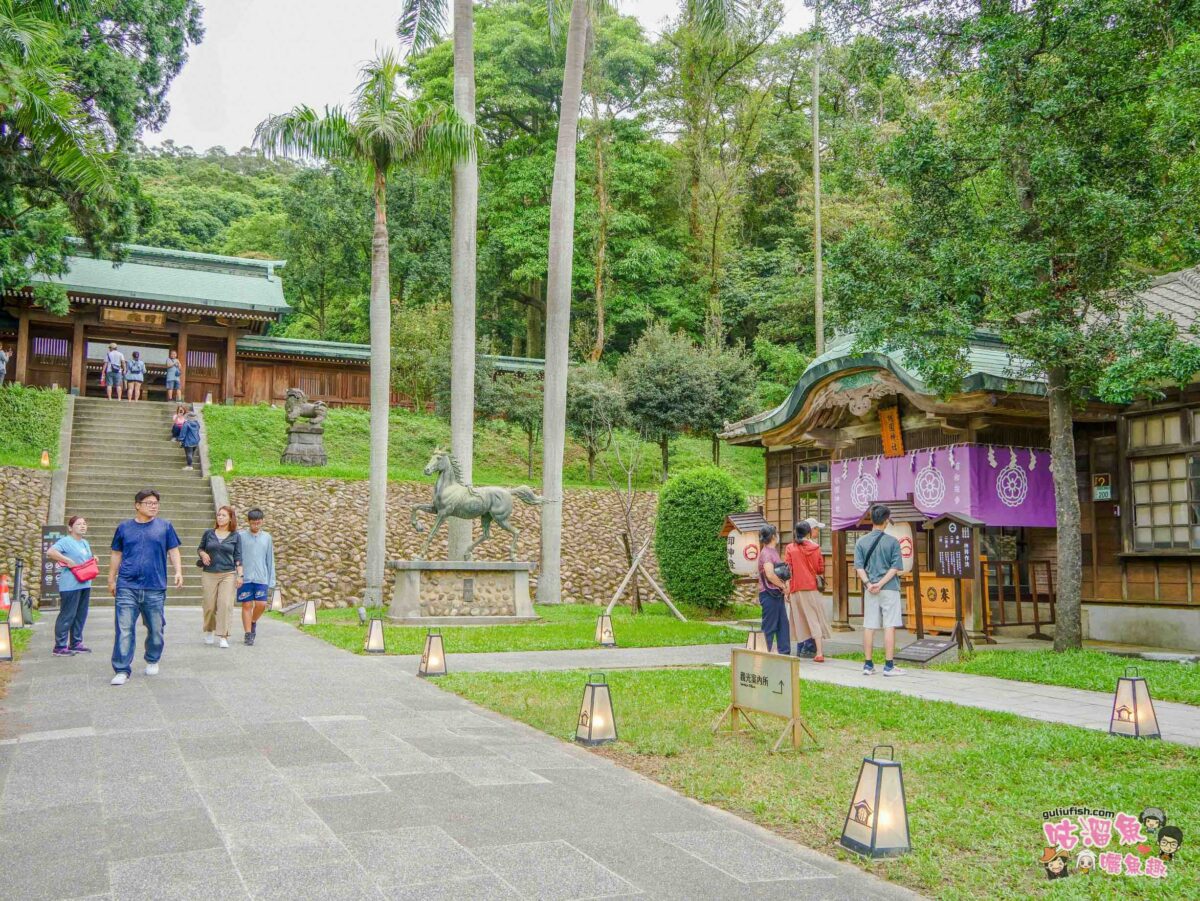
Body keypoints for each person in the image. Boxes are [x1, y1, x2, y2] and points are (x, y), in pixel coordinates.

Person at [109, 489, 182, 685]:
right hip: (127, 585)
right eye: (149, 503)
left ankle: (152, 658)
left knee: (156, 628)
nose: (153, 506)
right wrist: (111, 578)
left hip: (155, 585)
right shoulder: (124, 528)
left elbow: (173, 550)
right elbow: (116, 554)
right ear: (137, 505)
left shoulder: (165, 526)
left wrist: (178, 571)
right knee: (124, 628)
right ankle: (122, 669)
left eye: (156, 503)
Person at [854, 504, 904, 676]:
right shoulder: (892, 542)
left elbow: (859, 567)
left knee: (869, 625)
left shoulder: (861, 542)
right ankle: (889, 665)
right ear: (886, 520)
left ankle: (868, 665)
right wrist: (881, 583)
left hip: (870, 589)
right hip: (889, 588)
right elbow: (895, 567)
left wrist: (869, 584)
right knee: (889, 625)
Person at [45, 515, 95, 656]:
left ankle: (76, 643)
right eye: (79, 524)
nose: (82, 526)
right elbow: (51, 552)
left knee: (80, 615)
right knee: (68, 615)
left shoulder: (84, 542)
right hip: (70, 584)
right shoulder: (66, 541)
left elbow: (84, 558)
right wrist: (67, 560)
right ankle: (60, 646)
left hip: (85, 582)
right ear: (70, 527)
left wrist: (93, 559)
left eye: (84, 524)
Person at [784, 520, 830, 662]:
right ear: (809, 532)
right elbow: (820, 569)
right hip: (811, 588)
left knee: (799, 619)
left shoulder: (790, 548)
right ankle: (819, 652)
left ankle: (801, 650)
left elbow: (787, 570)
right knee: (814, 618)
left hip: (796, 588)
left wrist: (786, 590)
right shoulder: (816, 548)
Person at [199, 505, 243, 648]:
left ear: (230, 518)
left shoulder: (235, 536)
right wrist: (203, 554)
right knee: (209, 605)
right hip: (209, 573)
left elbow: (238, 556)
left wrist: (240, 575)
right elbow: (200, 548)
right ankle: (209, 630)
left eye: (223, 515)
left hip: (228, 574)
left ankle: (223, 636)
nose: (220, 517)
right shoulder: (208, 533)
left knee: (225, 604)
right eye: (218, 515)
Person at [237, 507, 275, 645]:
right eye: (253, 523)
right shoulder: (240, 536)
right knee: (246, 604)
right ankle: (248, 633)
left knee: (261, 604)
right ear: (249, 522)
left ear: (262, 521)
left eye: (258, 522)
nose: (256, 525)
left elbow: (270, 559)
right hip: (245, 577)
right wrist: (237, 575)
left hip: (261, 578)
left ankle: (253, 622)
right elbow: (237, 557)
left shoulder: (267, 538)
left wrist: (271, 580)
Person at [756, 524, 791, 655]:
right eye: (776, 534)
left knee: (783, 624)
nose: (778, 536)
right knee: (769, 625)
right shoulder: (766, 554)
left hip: (776, 594)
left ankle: (784, 651)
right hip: (769, 594)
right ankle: (763, 652)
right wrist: (783, 586)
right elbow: (770, 574)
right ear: (773, 537)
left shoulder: (772, 551)